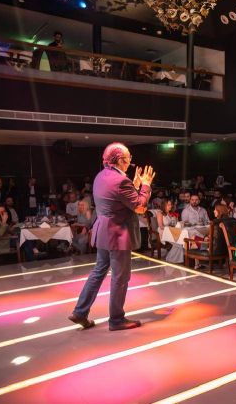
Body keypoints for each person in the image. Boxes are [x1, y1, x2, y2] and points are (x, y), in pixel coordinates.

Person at [69, 142, 155, 331]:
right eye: (128, 157)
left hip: (103, 232)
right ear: (120, 160)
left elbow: (118, 198)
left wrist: (135, 184)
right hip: (117, 235)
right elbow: (140, 207)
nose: (130, 161)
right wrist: (146, 185)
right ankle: (116, 319)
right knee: (120, 277)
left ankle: (80, 312)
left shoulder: (101, 176)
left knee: (98, 271)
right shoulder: (121, 181)